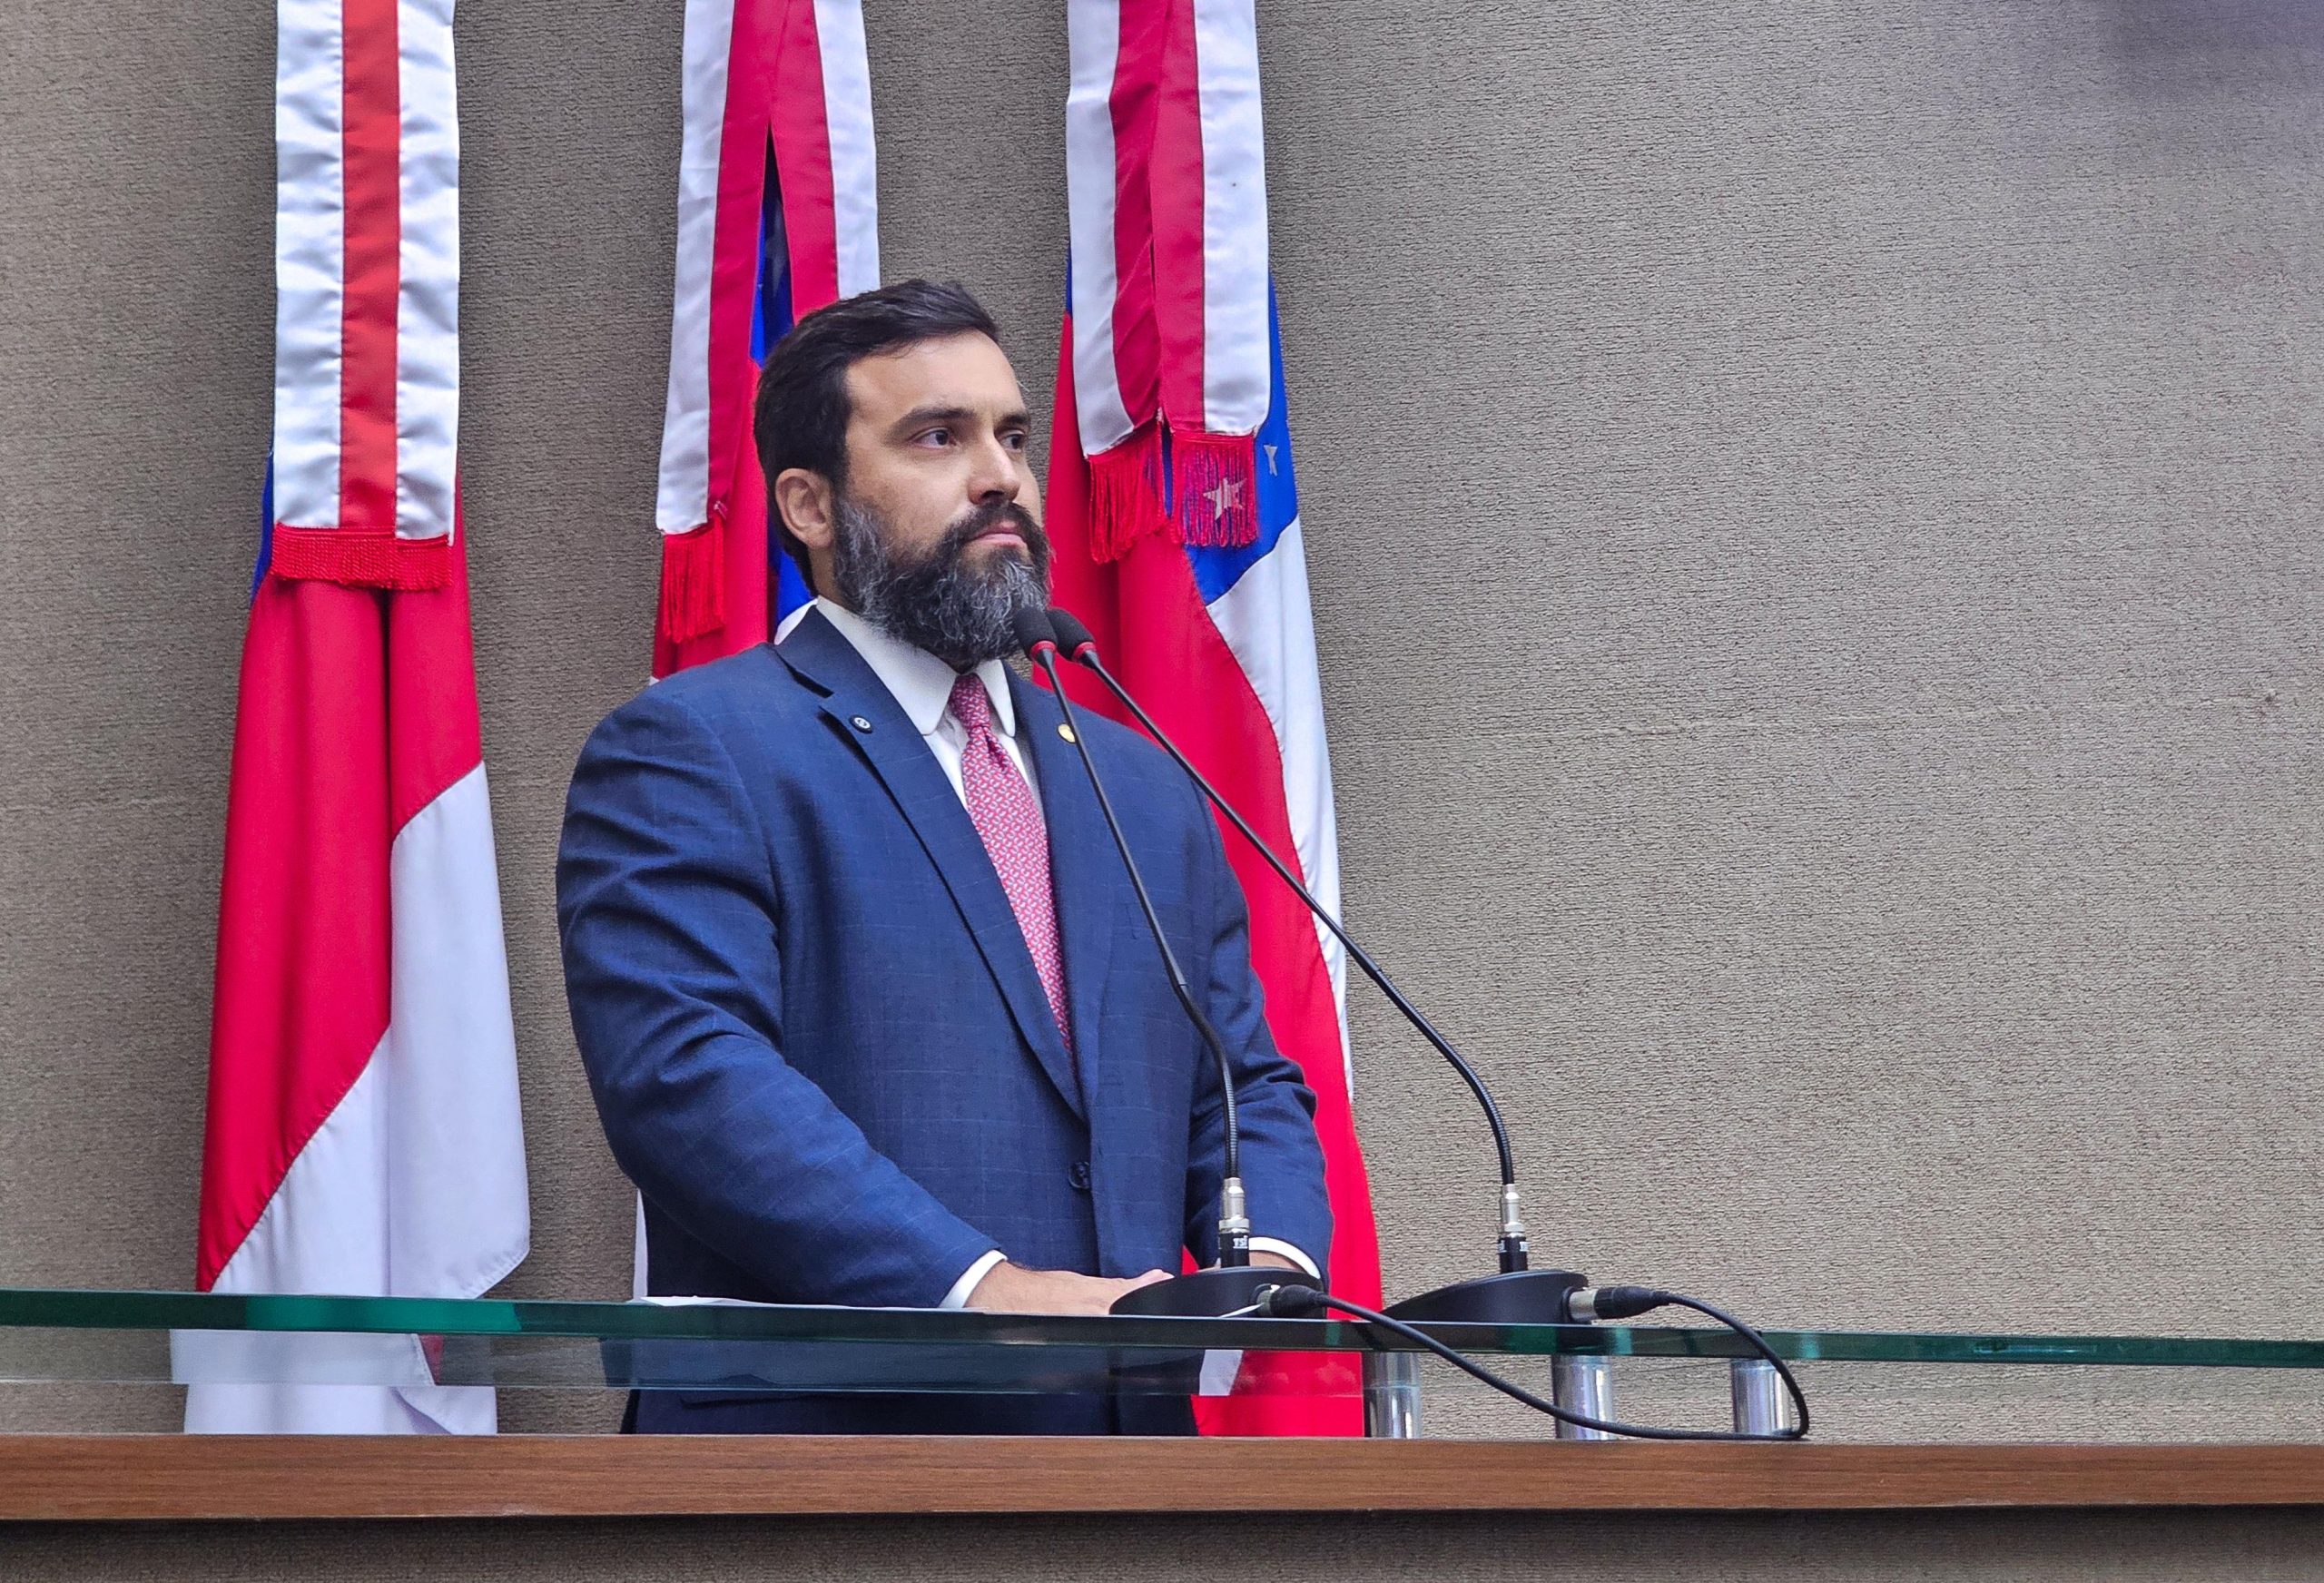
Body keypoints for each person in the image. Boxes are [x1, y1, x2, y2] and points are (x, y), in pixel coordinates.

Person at [556, 279, 1332, 1435]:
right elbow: (689, 1080)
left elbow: (1244, 1081)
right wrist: (981, 1293)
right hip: (821, 1475)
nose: (1000, 476)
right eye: (937, 437)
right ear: (810, 505)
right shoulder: (694, 749)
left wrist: (1258, 1272)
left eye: (1012, 437)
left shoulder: (1137, 780)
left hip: (1132, 1482)